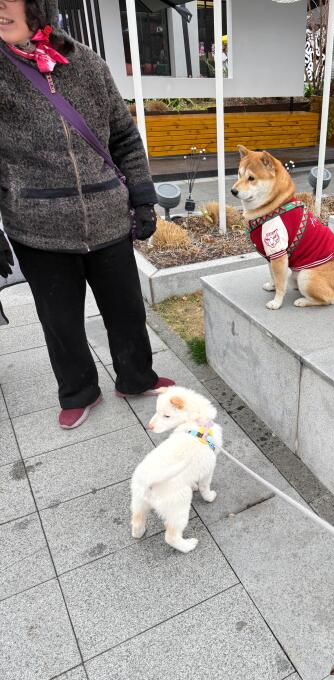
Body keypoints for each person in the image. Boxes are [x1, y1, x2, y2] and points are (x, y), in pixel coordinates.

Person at [0, 0, 174, 429]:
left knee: (127, 310)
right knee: (60, 322)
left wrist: (142, 198)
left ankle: (137, 377)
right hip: (37, 227)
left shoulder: (89, 65)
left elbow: (126, 140)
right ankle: (78, 391)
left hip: (107, 218)